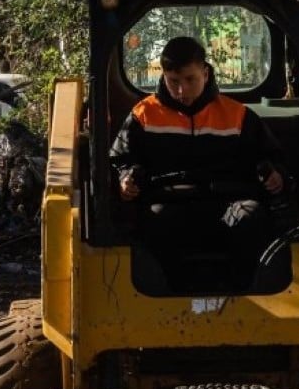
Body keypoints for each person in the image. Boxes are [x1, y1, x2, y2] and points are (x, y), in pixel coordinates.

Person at [110, 36, 288, 290]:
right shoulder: (144, 115)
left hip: (227, 202)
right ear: (163, 75)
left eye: (190, 80)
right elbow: (121, 158)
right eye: (174, 82)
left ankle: (243, 296)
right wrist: (125, 177)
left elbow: (271, 156)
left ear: (205, 73)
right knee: (154, 222)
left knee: (252, 218)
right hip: (168, 203)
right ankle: (166, 303)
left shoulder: (237, 115)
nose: (182, 91)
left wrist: (275, 174)